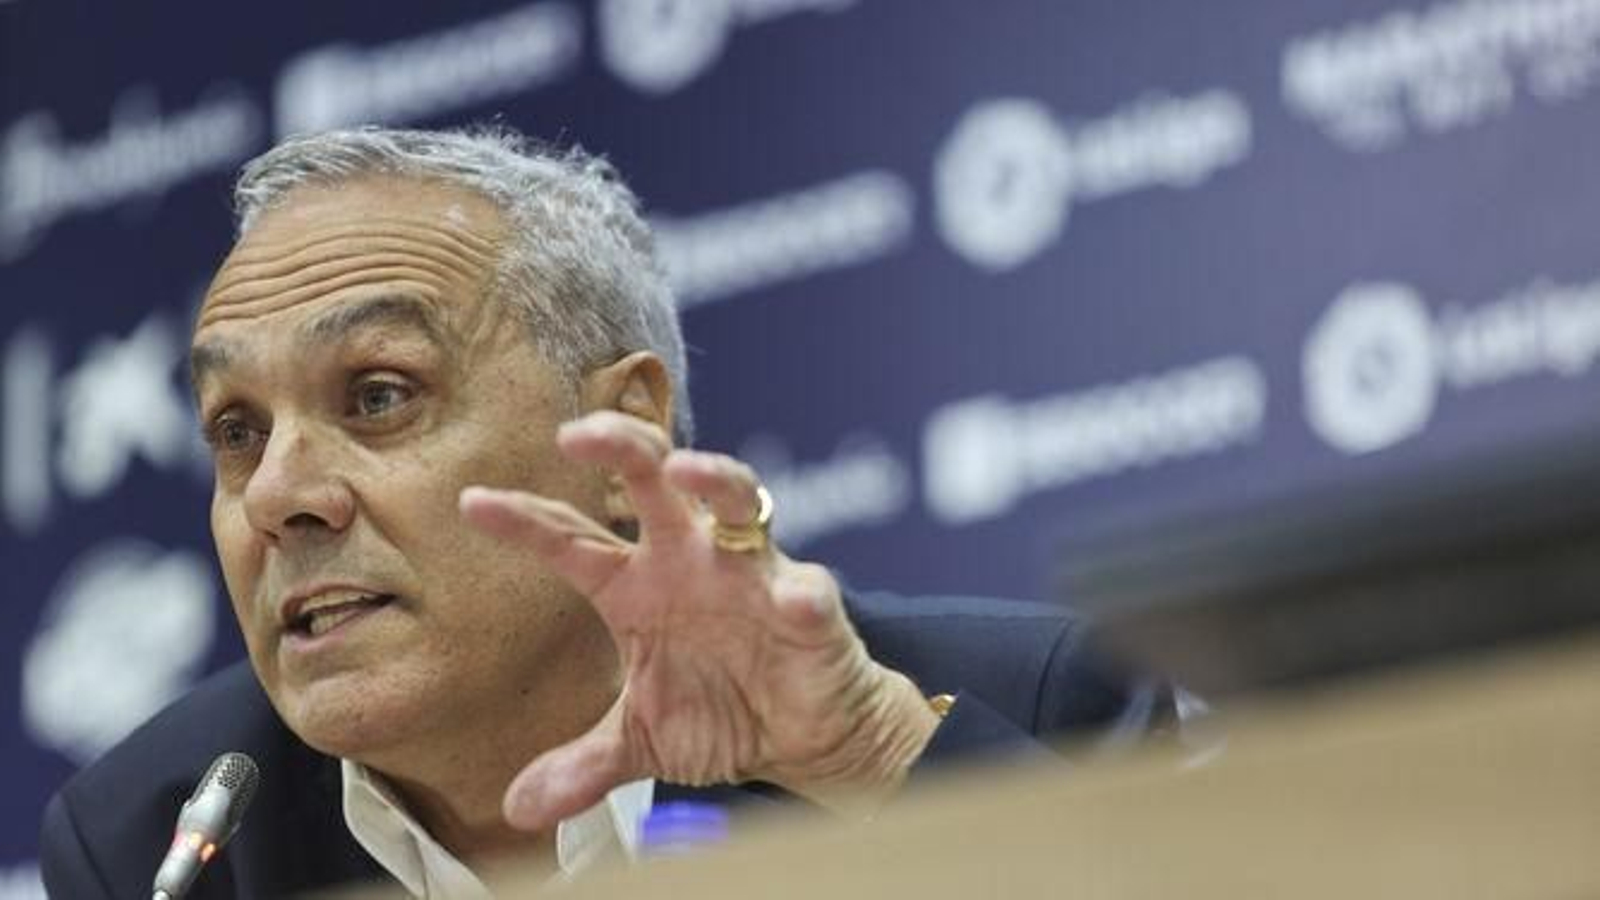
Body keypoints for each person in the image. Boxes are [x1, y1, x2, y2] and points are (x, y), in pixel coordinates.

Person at [39, 127, 1173, 898]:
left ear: (624, 444)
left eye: (378, 397)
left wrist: (871, 758)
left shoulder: (1022, 703)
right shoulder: (165, 842)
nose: (280, 494)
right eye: (237, 431)